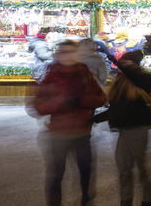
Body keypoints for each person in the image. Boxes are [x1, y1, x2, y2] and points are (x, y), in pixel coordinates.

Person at [32, 39, 107, 206]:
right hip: (58, 134)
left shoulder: (84, 73)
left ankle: (86, 199)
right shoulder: (49, 75)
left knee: (86, 171)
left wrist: (81, 100)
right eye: (63, 52)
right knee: (56, 175)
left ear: (77, 53)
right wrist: (61, 101)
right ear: (57, 54)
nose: (67, 56)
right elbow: (38, 107)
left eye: (71, 52)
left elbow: (102, 98)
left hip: (82, 132)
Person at [107, 50, 151, 206]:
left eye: (125, 64)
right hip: (123, 130)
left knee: (142, 168)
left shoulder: (143, 78)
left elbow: (150, 85)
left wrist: (117, 62)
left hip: (139, 127)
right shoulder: (120, 81)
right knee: (124, 170)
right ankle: (126, 201)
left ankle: (147, 200)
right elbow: (116, 108)